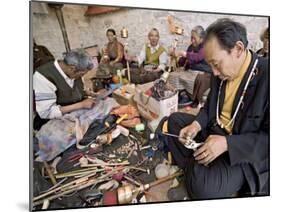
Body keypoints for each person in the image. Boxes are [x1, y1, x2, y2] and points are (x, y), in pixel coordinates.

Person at [166, 18, 269, 199]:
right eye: (211, 64)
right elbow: (209, 108)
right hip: (214, 130)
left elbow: (269, 140)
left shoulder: (268, 76)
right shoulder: (219, 73)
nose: (213, 72)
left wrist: (227, 144)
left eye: (216, 63)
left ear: (238, 49)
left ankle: (196, 171)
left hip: (241, 151)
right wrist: (196, 125)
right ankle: (199, 167)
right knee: (174, 122)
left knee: (202, 186)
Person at [33, 49, 95, 130]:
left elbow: (77, 90)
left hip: (74, 115)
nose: (81, 77)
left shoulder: (74, 71)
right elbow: (46, 112)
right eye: (82, 74)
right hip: (52, 124)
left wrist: (92, 94)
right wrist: (81, 105)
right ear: (72, 69)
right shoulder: (42, 77)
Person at [172, 26, 212, 107]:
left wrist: (183, 53)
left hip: (204, 73)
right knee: (174, 75)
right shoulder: (191, 47)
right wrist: (176, 58)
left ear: (201, 39)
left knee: (199, 79)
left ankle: (190, 98)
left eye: (194, 38)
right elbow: (184, 60)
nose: (192, 40)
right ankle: (179, 94)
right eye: (191, 38)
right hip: (191, 71)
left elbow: (197, 57)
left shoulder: (206, 47)